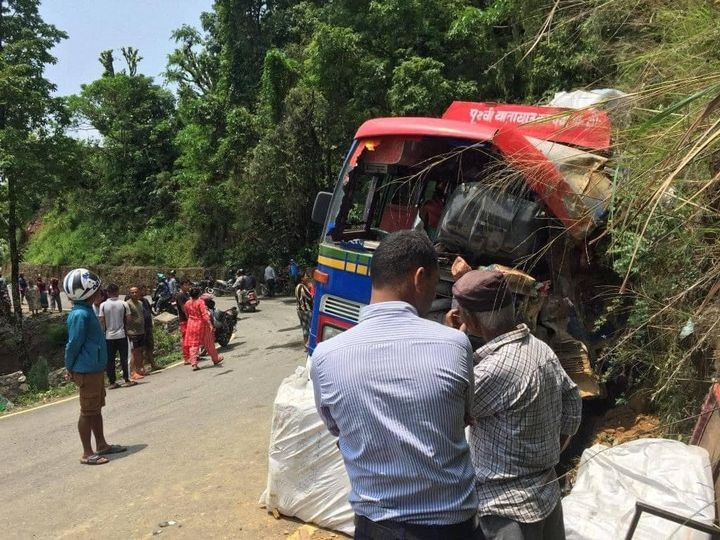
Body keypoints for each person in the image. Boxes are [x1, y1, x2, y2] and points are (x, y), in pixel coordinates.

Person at [310, 230, 481, 540]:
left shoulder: (325, 356)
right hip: (453, 530)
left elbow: (337, 429)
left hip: (376, 529)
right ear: (419, 278)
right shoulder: (456, 344)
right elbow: (465, 415)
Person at [449, 270, 582, 540]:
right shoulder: (540, 349)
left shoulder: (494, 371)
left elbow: (446, 409)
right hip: (545, 496)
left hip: (506, 512)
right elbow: (572, 404)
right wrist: (546, 455)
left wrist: (452, 343)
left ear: (471, 320)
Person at [63, 268, 126, 465]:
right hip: (86, 370)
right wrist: (69, 367)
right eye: (97, 290)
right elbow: (73, 344)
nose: (101, 293)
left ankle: (101, 444)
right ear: (87, 293)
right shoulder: (80, 315)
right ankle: (87, 452)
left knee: (96, 409)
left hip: (94, 368)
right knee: (87, 411)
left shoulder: (87, 310)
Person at [98, 283, 133, 389]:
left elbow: (102, 320)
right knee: (124, 358)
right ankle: (127, 379)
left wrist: (104, 331)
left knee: (110, 360)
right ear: (117, 292)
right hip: (121, 334)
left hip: (108, 336)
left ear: (107, 293)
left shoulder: (103, 305)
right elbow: (129, 319)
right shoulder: (123, 304)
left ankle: (112, 382)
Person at [184, 287, 223, 371]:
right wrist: (210, 325)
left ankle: (194, 363)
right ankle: (215, 359)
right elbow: (205, 315)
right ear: (198, 294)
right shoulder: (200, 302)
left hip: (191, 325)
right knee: (209, 343)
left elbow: (187, 314)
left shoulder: (187, 303)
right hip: (202, 325)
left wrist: (191, 320)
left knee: (193, 345)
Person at [125, 287, 147, 381]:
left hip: (141, 330)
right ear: (129, 294)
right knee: (134, 352)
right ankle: (133, 372)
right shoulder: (128, 304)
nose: (134, 294)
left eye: (136, 292)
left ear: (139, 293)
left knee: (140, 351)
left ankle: (140, 369)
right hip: (132, 332)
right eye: (132, 292)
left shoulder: (140, 303)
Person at [139, 285, 160, 372]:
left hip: (148, 326)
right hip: (140, 328)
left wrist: (155, 314)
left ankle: (153, 364)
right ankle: (141, 368)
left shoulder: (145, 300)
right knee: (141, 348)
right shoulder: (135, 302)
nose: (145, 291)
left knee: (150, 346)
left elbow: (150, 311)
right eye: (143, 290)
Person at [294, 275, 313, 348]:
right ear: (301, 279)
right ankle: (310, 345)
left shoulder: (297, 287)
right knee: (312, 328)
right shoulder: (302, 287)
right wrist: (310, 287)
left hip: (300, 311)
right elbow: (310, 298)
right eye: (305, 277)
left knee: (305, 328)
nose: (307, 278)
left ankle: (306, 345)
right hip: (306, 310)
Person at [176, 279, 191, 365]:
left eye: (188, 285)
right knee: (185, 339)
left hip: (189, 319)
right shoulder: (180, 295)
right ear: (181, 286)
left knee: (190, 338)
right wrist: (189, 318)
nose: (188, 286)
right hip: (184, 320)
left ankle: (192, 355)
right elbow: (183, 308)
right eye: (186, 285)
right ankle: (186, 357)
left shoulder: (187, 294)